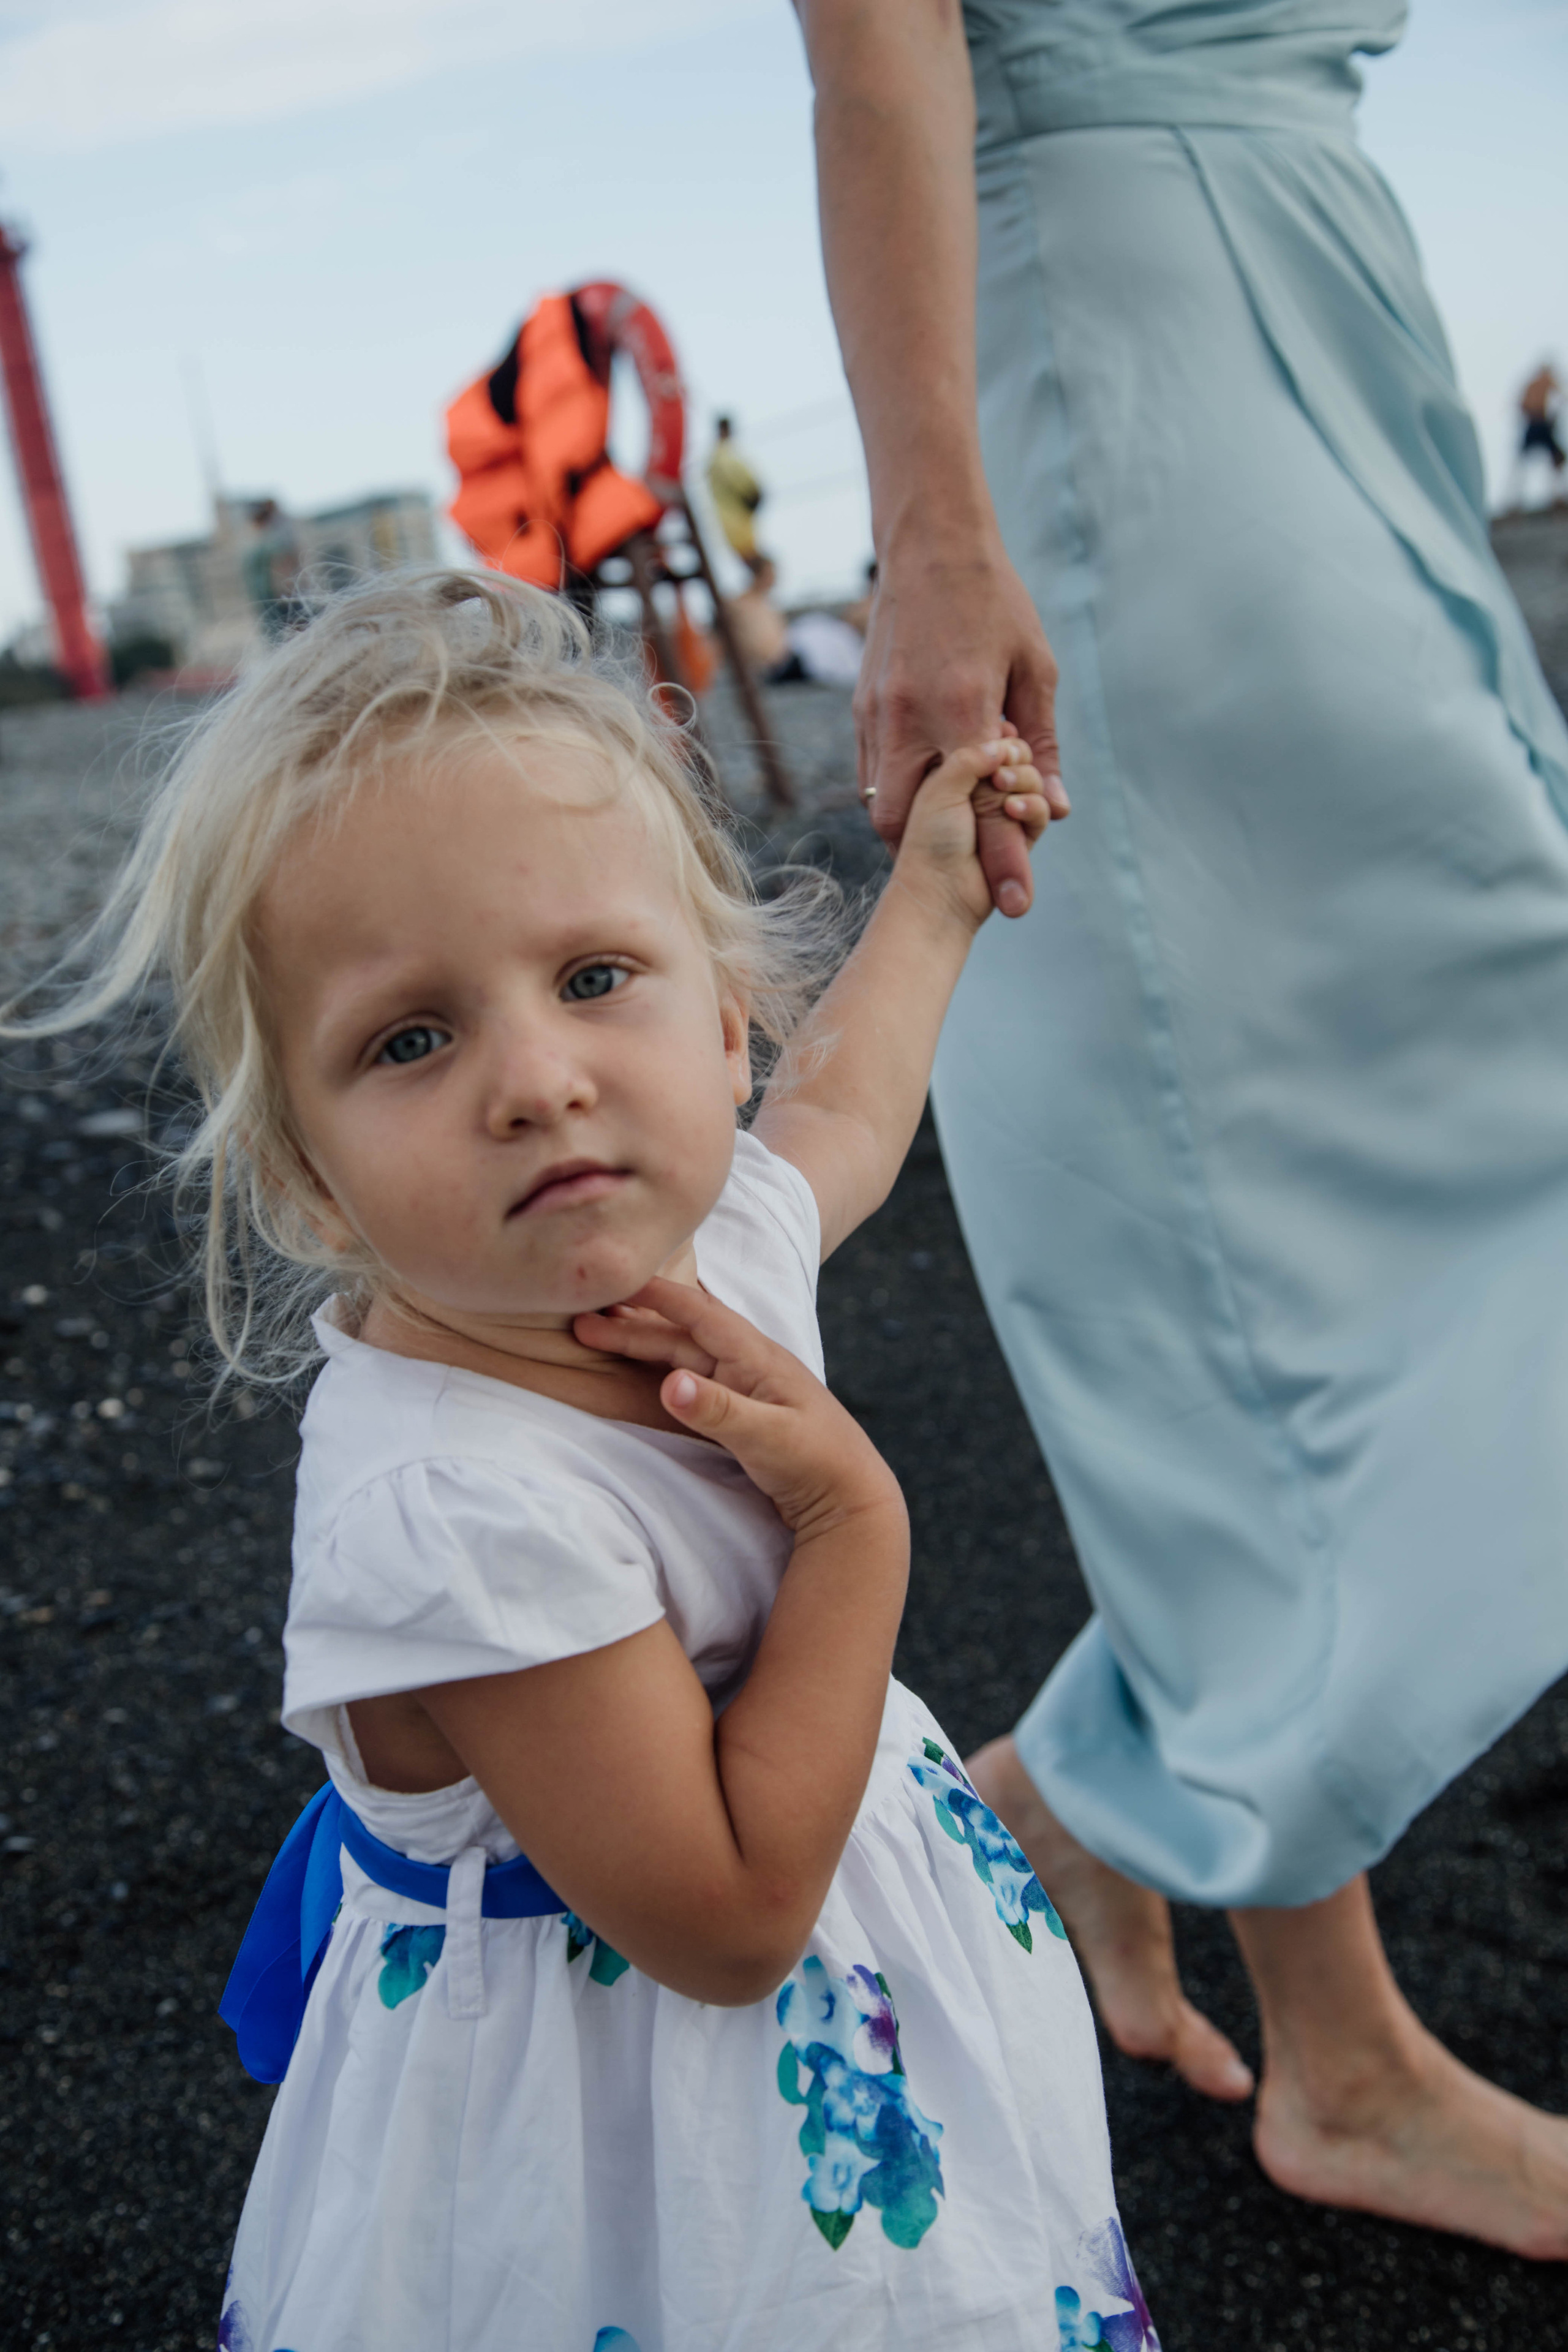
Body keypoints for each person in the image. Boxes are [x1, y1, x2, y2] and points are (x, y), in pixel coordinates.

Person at [21, 569, 1158, 2348]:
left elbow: (841, 1105)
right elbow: (724, 1915)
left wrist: (936, 884)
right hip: (612, 2154)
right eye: (412, 1035)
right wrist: (853, 1518)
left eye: (593, 975)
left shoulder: (681, 1254)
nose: (538, 1076)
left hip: (838, 2063)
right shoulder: (451, 1502)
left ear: (718, 1028)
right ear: (311, 1178)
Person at [793, 0, 1568, 2258]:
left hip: (1325, 316)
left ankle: (1091, 1802)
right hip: (1108, 388)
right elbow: (872, 50)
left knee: (1453, 1079)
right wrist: (929, 516)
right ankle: (1331, 2059)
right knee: (1216, 1201)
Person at [706, 413, 768, 575]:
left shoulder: (716, 457)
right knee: (749, 553)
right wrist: (754, 495)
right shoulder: (723, 457)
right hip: (737, 519)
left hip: (734, 519)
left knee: (748, 553)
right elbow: (742, 481)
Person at [1510, 363, 1566, 508]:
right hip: (1540, 423)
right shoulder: (1545, 381)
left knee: (1526, 460)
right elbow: (1562, 396)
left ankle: (1554, 495)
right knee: (1556, 458)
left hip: (1534, 423)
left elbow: (1521, 404)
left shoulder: (1532, 384)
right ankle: (1555, 496)